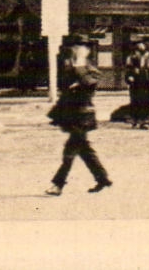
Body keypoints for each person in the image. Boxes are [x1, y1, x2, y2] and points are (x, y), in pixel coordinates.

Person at [46, 34, 112, 196]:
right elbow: (65, 87)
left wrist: (80, 65)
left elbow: (88, 83)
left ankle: (58, 184)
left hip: (83, 116)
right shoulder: (70, 67)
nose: (77, 50)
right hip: (71, 115)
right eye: (75, 47)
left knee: (70, 152)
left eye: (80, 47)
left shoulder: (90, 69)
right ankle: (102, 178)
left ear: (87, 50)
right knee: (84, 150)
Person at [123, 40, 149, 128]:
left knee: (146, 101)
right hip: (136, 82)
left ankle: (143, 121)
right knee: (135, 101)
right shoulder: (131, 58)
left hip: (146, 82)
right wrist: (129, 77)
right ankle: (134, 120)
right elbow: (128, 69)